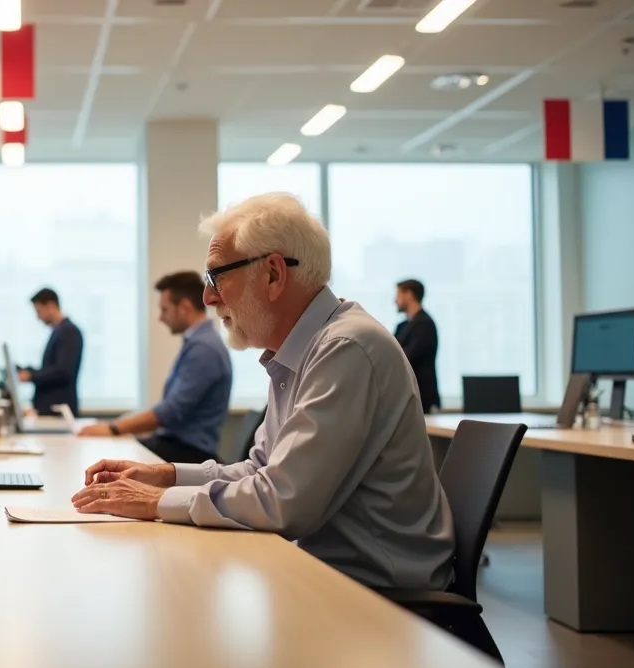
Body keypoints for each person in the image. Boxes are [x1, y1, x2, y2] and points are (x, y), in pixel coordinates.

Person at [71, 193, 454, 591]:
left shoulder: (346, 349)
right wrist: (165, 476)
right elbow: (261, 470)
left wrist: (154, 503)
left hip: (385, 600)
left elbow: (282, 501)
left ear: (273, 274)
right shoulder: (303, 350)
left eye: (216, 276)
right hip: (328, 577)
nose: (208, 297)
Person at [79, 271, 232, 464]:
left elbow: (170, 411)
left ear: (184, 307)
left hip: (188, 453)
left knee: (107, 458)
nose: (160, 318)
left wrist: (113, 428)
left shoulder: (204, 348)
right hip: (177, 446)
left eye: (165, 310)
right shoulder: (199, 343)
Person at [18, 287, 84, 416]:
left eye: (39, 311)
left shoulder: (68, 332)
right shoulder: (59, 332)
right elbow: (52, 368)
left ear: (51, 305)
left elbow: (62, 371)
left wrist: (31, 376)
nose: (38, 317)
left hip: (58, 410)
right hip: (51, 410)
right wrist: (30, 371)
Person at [395, 279, 440, 413]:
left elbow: (405, 357)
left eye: (398, 295)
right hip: (407, 398)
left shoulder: (425, 324)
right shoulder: (402, 326)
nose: (395, 301)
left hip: (422, 398)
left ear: (408, 295)